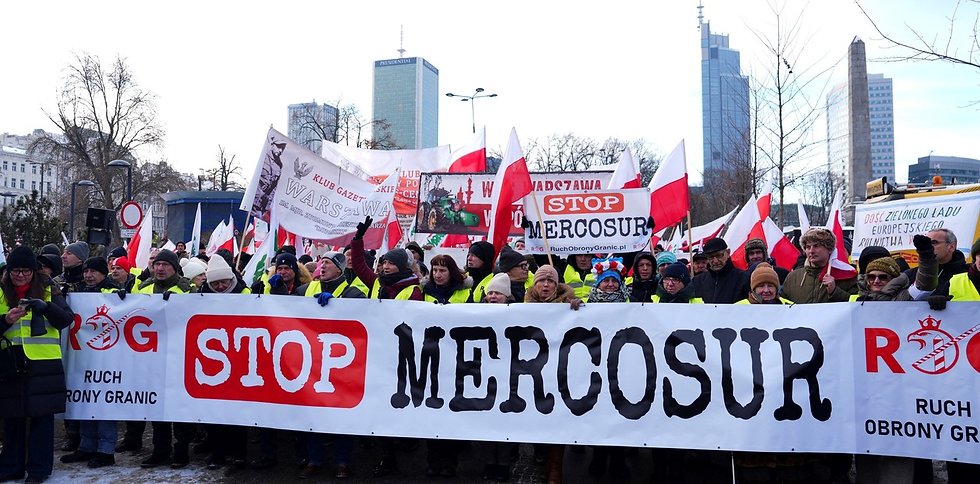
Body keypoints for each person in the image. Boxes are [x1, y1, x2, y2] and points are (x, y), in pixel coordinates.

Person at [349, 217, 422, 477]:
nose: (385, 266)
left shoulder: (413, 290)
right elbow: (358, 265)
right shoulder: (377, 283)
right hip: (375, 356)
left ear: (402, 267)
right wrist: (358, 238)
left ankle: (406, 440)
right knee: (379, 408)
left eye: (391, 262)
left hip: (398, 359)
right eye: (383, 262)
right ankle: (387, 455)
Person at [0, 246, 74, 482]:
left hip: (44, 364)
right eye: (15, 271)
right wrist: (5, 320)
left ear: (33, 271)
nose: (20, 275)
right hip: (11, 364)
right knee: (13, 418)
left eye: (25, 271)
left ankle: (39, 469)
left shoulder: (49, 289)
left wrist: (47, 307)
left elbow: (66, 319)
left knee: (42, 420)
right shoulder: (1, 292)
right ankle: (12, 466)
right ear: (8, 271)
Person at [132, 249, 194, 469]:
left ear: (175, 267)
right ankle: (160, 450)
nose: (159, 269)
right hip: (151, 358)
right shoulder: (142, 287)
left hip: (179, 357)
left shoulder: (188, 289)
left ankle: (181, 451)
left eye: (165, 265)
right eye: (157, 264)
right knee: (156, 407)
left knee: (179, 408)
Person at [59, 257, 120, 469]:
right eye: (86, 271)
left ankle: (105, 449)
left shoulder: (114, 292)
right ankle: (86, 445)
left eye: (94, 271)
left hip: (108, 359)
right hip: (85, 357)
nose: (88, 275)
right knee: (86, 399)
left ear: (105, 274)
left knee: (104, 403)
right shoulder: (80, 292)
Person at [524, 265, 580, 484]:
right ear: (535, 284)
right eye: (541, 281)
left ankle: (556, 468)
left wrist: (579, 311)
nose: (545, 285)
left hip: (560, 371)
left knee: (559, 419)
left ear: (557, 286)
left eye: (550, 281)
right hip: (534, 372)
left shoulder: (569, 306)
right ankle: (546, 462)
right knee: (540, 420)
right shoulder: (524, 306)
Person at [583, 258, 630, 479]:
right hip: (596, 366)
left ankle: (619, 460)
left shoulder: (633, 305)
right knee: (599, 414)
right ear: (598, 284)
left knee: (621, 414)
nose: (610, 284)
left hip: (624, 367)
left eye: (614, 281)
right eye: (606, 281)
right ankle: (599, 456)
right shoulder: (586, 306)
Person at [780, 228, 857, 304]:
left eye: (816, 246)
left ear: (829, 249)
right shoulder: (793, 277)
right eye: (808, 247)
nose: (811, 251)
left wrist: (834, 291)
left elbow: (857, 305)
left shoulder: (847, 276)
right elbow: (782, 306)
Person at [692, 238, 751, 304]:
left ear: (728, 253)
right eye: (710, 257)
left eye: (719, 255)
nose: (715, 261)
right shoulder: (698, 281)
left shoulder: (744, 279)